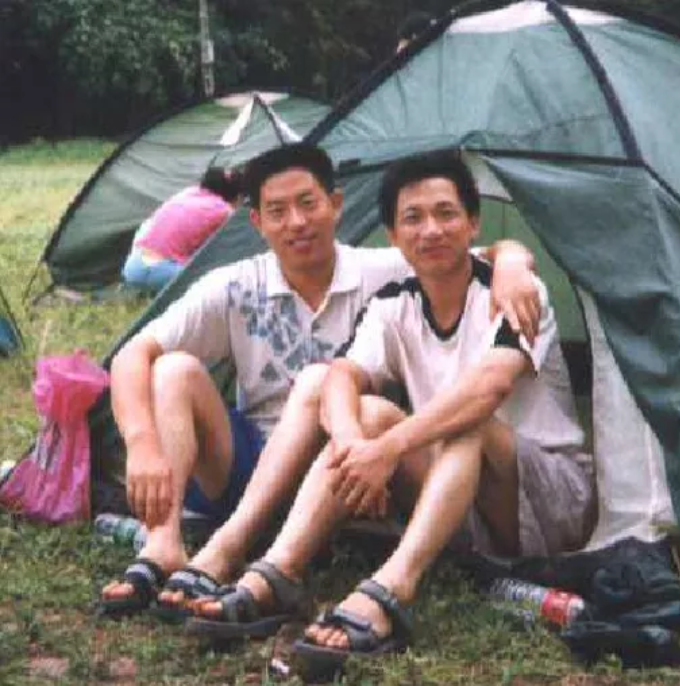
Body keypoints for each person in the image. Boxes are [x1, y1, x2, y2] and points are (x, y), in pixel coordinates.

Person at [187, 150, 594, 678]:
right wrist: (354, 445)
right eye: (413, 218)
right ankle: (279, 572)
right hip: (458, 501)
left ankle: (390, 590)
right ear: (394, 236)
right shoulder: (392, 304)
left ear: (473, 223)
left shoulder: (515, 293)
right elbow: (340, 376)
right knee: (370, 411)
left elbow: (489, 387)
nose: (431, 230)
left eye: (446, 213)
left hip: (552, 503)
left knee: (466, 423)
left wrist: (389, 449)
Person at [96, 143, 540, 620]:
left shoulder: (387, 270)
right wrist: (142, 445)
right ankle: (163, 543)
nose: (297, 222)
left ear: (336, 205)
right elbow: (131, 355)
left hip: (348, 470)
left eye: (308, 204)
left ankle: (236, 554)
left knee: (319, 380)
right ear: (257, 222)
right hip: (253, 469)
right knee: (172, 369)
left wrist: (514, 262)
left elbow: (468, 255)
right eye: (277, 211)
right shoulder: (234, 285)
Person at [121, 166, 243, 292]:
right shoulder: (224, 211)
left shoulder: (188, 192)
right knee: (218, 280)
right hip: (166, 272)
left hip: (133, 267)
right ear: (238, 196)